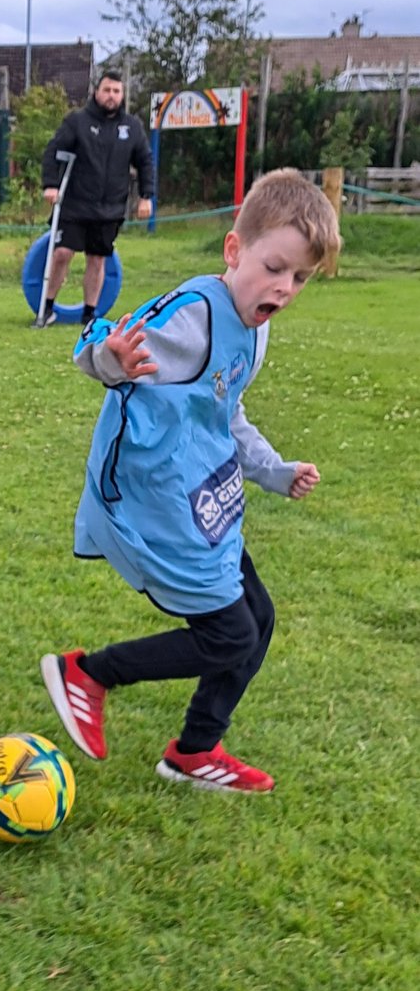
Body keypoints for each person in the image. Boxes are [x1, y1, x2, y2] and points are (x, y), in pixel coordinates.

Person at [40, 168, 340, 792]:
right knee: (229, 633)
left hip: (203, 494)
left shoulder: (254, 331)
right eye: (275, 267)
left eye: (301, 278)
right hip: (151, 502)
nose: (284, 288)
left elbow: (225, 413)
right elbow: (98, 339)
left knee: (256, 619)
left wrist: (275, 472)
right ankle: (88, 674)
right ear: (235, 250)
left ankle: (194, 751)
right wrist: (113, 360)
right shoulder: (194, 316)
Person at [39, 69, 154, 327]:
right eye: (107, 90)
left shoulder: (132, 127)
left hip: (110, 208)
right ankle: (47, 307)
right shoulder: (77, 122)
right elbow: (53, 152)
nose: (111, 96)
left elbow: (145, 162)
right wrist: (50, 185)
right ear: (97, 92)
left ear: (122, 95)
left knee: (97, 259)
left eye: (116, 91)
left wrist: (147, 196)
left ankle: (89, 313)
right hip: (75, 204)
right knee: (62, 253)